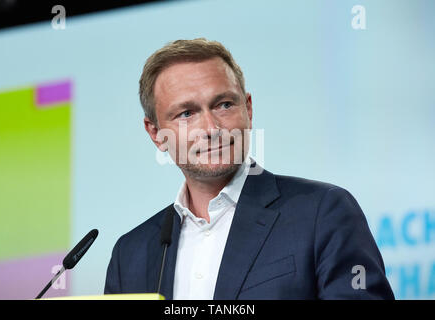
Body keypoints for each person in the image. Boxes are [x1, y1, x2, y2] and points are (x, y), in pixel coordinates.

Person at [104, 38, 394, 300]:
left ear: (249, 109)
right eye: (187, 113)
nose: (211, 128)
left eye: (224, 104)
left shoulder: (322, 213)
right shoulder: (130, 254)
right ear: (155, 133)